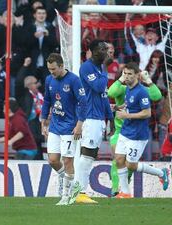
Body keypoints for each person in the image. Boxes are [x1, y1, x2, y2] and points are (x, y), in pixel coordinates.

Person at [114, 62, 169, 198]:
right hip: (126, 131)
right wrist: (117, 107)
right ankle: (125, 193)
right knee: (119, 160)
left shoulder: (142, 91)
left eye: (130, 74)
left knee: (131, 165)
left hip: (137, 135)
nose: (126, 77)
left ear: (138, 75)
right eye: (125, 73)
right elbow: (129, 104)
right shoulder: (127, 88)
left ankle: (161, 173)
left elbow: (147, 113)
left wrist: (127, 115)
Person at [69, 40, 113, 204]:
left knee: (90, 155)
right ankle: (79, 192)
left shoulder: (100, 68)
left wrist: (111, 119)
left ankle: (78, 191)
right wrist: (105, 69)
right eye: (102, 49)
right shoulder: (87, 67)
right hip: (89, 117)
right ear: (92, 51)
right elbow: (100, 87)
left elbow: (104, 97)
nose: (106, 51)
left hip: (99, 117)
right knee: (86, 156)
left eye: (106, 48)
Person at [40, 53, 87, 205]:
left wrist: (79, 124)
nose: (51, 72)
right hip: (54, 125)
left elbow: (83, 102)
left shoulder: (74, 80)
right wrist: (43, 120)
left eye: (54, 69)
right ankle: (73, 185)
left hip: (69, 127)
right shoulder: (49, 80)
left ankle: (66, 196)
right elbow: (47, 100)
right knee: (53, 160)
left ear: (61, 66)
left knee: (67, 161)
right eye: (49, 69)